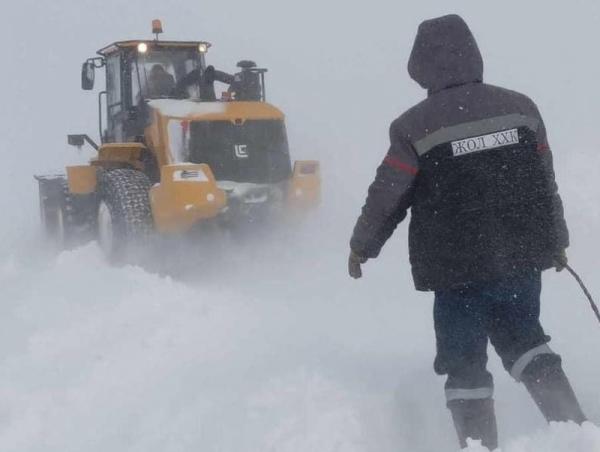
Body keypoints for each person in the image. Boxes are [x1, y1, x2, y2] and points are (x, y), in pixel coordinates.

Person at [348, 14, 586, 450]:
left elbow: (389, 194)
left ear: (419, 66)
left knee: (464, 363)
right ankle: (576, 431)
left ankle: (479, 445)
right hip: (520, 259)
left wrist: (363, 246)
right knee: (526, 340)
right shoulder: (521, 108)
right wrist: (556, 241)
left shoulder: (414, 126)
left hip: (456, 270)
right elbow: (544, 180)